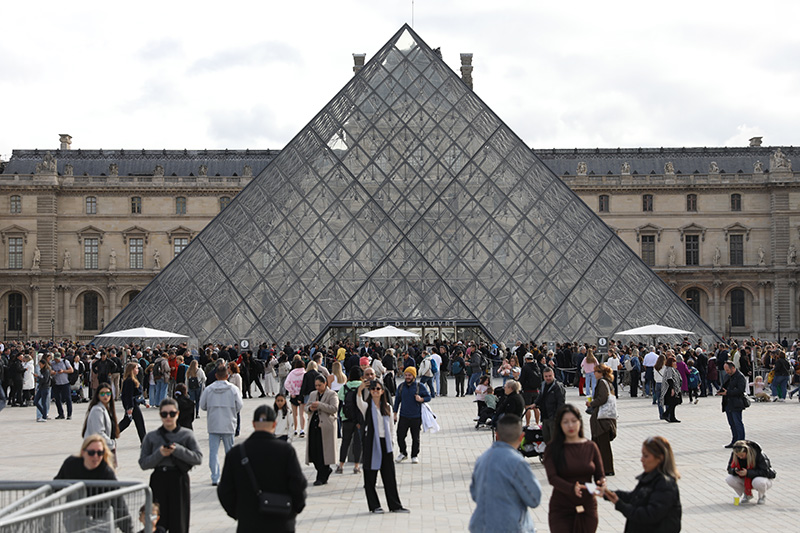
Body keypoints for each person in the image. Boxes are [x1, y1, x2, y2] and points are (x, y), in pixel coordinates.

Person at [217, 405, 307, 532]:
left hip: (249, 523)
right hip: (281, 522)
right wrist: (293, 510)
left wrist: (239, 513)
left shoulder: (237, 453)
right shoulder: (286, 451)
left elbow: (225, 490)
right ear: (274, 424)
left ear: (253, 424)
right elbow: (298, 484)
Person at [139, 398, 203, 533]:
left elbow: (198, 458)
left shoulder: (186, 435)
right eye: (164, 414)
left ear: (178, 414)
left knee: (179, 523)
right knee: (157, 523)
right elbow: (143, 463)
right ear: (160, 415)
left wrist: (177, 450)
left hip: (179, 479)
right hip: (159, 479)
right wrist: (160, 454)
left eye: (172, 414)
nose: (168, 417)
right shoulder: (151, 437)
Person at [469, 414, 541, 532]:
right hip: (510, 525)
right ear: (521, 437)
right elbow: (534, 498)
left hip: (481, 525)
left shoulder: (482, 459)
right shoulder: (517, 463)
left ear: (496, 434)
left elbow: (475, 493)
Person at [543, 404, 606, 532]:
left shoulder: (591, 446)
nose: (570, 425)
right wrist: (571, 488)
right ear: (559, 425)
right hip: (561, 507)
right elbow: (552, 478)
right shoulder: (552, 448)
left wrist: (601, 483)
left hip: (587, 505)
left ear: (579, 422)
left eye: (573, 421)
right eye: (565, 422)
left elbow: (599, 474)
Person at [603, 436, 681, 533]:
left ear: (660, 458)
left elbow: (649, 515)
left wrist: (620, 504)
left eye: (646, 456)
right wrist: (608, 493)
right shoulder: (649, 477)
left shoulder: (665, 484)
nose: (642, 459)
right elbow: (635, 497)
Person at [356, 379, 409, 513]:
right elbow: (358, 402)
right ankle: (374, 506)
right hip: (371, 443)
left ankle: (395, 505)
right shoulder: (367, 406)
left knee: (389, 476)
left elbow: (391, 427)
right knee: (370, 476)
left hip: (385, 443)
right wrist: (360, 389)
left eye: (378, 389)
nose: (375, 391)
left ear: (382, 391)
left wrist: (391, 442)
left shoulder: (387, 407)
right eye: (373, 389)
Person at [200, 365, 243, 486]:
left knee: (213, 452)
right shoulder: (233, 389)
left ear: (216, 375)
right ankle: (230, 476)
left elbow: (202, 405)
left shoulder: (209, 389)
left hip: (213, 423)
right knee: (230, 452)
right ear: (227, 375)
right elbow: (240, 405)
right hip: (229, 422)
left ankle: (215, 477)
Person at [305, 374, 339, 485]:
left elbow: (334, 408)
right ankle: (325, 471)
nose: (318, 387)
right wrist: (310, 408)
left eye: (320, 385)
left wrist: (320, 405)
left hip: (326, 427)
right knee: (313, 452)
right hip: (314, 426)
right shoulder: (313, 394)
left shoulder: (332, 394)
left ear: (325, 384)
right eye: (316, 385)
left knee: (323, 453)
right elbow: (306, 407)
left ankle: (321, 476)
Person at [393, 367, 431, 464]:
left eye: (409, 375)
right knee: (400, 435)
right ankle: (403, 453)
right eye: (406, 375)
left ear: (413, 376)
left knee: (415, 437)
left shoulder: (419, 386)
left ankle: (414, 455)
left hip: (416, 417)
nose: (407, 377)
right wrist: (395, 413)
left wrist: (421, 399)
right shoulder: (401, 387)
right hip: (404, 416)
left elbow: (428, 397)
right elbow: (397, 401)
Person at [588, 364, 617, 476]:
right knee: (598, 444)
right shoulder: (608, 382)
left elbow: (603, 398)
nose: (594, 373)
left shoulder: (602, 382)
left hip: (602, 419)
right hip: (604, 418)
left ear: (600, 373)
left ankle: (607, 469)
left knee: (603, 445)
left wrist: (592, 403)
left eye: (595, 371)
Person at [725, 440, 775, 504]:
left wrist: (748, 473)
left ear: (747, 452)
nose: (740, 457)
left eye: (742, 455)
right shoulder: (735, 454)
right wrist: (735, 471)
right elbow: (729, 468)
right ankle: (747, 494)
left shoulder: (758, 454)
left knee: (759, 482)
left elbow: (765, 472)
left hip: (762, 478)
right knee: (729, 479)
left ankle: (762, 496)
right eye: (738, 456)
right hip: (745, 478)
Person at [337, 366, 363, 475]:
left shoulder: (345, 387)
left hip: (346, 418)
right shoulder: (362, 386)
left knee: (345, 442)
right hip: (359, 420)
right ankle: (356, 466)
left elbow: (340, 400)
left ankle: (341, 465)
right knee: (357, 443)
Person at [83, 382, 119, 461]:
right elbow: (99, 433)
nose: (105, 396)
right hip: (98, 449)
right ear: (98, 395)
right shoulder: (97, 410)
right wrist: (111, 443)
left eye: (108, 393)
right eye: (102, 393)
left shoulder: (107, 409)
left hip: (104, 447)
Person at [719, 361, 748, 448]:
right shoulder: (728, 376)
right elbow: (725, 386)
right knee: (732, 424)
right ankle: (734, 441)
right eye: (725, 370)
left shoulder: (740, 377)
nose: (726, 372)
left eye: (728, 370)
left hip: (736, 403)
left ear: (733, 368)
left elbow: (740, 390)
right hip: (728, 402)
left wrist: (728, 392)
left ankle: (741, 442)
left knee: (737, 423)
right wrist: (721, 391)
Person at [535, 367, 566, 443]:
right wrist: (535, 403)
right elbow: (541, 396)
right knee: (546, 439)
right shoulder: (543, 384)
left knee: (555, 440)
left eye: (550, 376)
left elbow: (561, 403)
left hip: (553, 417)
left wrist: (557, 417)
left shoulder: (557, 386)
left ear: (553, 375)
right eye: (546, 376)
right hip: (545, 416)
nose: (548, 378)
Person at [120, 362, 147, 443]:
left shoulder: (133, 379)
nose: (138, 370)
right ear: (132, 370)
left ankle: (112, 434)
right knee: (139, 423)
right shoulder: (129, 381)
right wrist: (130, 407)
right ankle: (144, 442)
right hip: (133, 405)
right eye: (136, 368)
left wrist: (144, 402)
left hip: (133, 404)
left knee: (126, 422)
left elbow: (138, 394)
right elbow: (129, 395)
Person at [283, 359, 306, 437]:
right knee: (302, 414)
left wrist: (291, 391)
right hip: (302, 395)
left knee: (294, 414)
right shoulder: (304, 373)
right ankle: (302, 430)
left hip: (294, 395)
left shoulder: (292, 373)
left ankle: (295, 429)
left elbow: (286, 383)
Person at [50, 351, 74, 420]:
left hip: (65, 382)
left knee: (68, 398)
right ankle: (60, 414)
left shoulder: (65, 362)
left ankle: (69, 414)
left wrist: (63, 371)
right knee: (57, 399)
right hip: (56, 383)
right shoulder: (52, 363)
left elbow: (71, 370)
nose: (56, 360)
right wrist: (52, 372)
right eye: (55, 359)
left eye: (57, 359)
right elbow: (50, 371)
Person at [661, 356, 682, 423]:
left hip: (675, 388)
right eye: (673, 362)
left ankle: (672, 417)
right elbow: (669, 379)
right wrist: (672, 389)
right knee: (674, 402)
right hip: (670, 388)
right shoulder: (669, 369)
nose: (675, 363)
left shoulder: (673, 369)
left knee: (673, 403)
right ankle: (666, 414)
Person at [34, 356, 52, 422]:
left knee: (43, 402)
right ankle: (44, 413)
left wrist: (38, 377)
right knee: (35, 401)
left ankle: (44, 417)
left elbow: (45, 380)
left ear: (44, 364)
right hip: (41, 387)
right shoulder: (42, 370)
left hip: (45, 388)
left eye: (40, 364)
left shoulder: (46, 371)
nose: (40, 366)